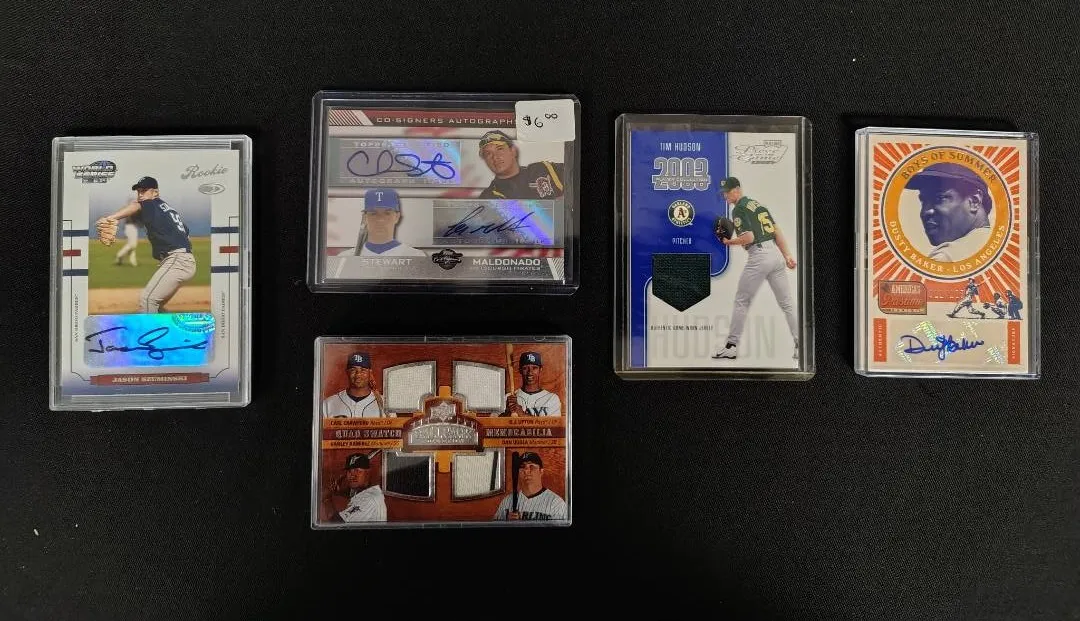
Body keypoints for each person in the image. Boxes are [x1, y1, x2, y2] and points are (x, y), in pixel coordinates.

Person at [711, 177, 799, 361]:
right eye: (724, 193)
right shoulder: (757, 205)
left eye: (728, 192)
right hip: (775, 255)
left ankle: (731, 346)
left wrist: (729, 242)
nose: (725, 196)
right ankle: (800, 344)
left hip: (759, 256)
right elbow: (776, 232)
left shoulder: (739, 209)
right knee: (787, 303)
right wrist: (787, 256)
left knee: (741, 301)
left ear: (737, 189)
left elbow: (749, 238)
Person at [99, 176, 194, 313]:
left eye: (144, 190)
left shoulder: (150, 203)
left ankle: (150, 328)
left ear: (155, 192)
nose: (140, 194)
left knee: (148, 300)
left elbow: (135, 205)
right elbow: (186, 233)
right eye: (138, 191)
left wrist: (111, 218)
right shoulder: (166, 209)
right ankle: (167, 326)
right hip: (183, 260)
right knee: (157, 307)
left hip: (177, 260)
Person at [907, 163, 993, 262]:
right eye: (923, 202)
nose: (925, 212)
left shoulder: (945, 258)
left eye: (939, 198)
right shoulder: (1002, 247)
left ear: (974, 201)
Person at [477, 130, 565, 199]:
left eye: (500, 149)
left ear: (513, 151)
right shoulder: (488, 197)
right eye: (488, 153)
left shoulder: (543, 169)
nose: (495, 157)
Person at [348, 188, 425, 257]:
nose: (380, 219)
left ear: (397, 217)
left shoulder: (415, 256)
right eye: (373, 213)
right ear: (365, 217)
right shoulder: (346, 257)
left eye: (387, 213)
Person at [492, 452, 567, 521]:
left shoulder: (556, 503)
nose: (526, 471)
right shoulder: (507, 501)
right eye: (522, 466)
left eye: (532, 466)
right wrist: (506, 523)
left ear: (541, 471)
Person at [320, 453, 387, 523]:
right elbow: (351, 493)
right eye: (349, 471)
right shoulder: (367, 490)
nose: (352, 475)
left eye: (357, 471)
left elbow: (337, 523)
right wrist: (337, 491)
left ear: (368, 473)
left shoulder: (370, 499)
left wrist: (327, 499)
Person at [322, 352, 384, 418]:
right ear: (347, 372)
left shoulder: (384, 403)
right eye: (353, 370)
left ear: (370, 373)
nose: (358, 374)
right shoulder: (328, 404)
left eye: (363, 370)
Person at [503, 351, 562, 416]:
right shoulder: (508, 398)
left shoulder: (552, 399)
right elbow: (497, 421)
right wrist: (507, 413)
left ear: (540, 369)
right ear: (520, 370)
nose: (530, 372)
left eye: (534, 368)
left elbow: (554, 423)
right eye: (525, 368)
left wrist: (522, 414)